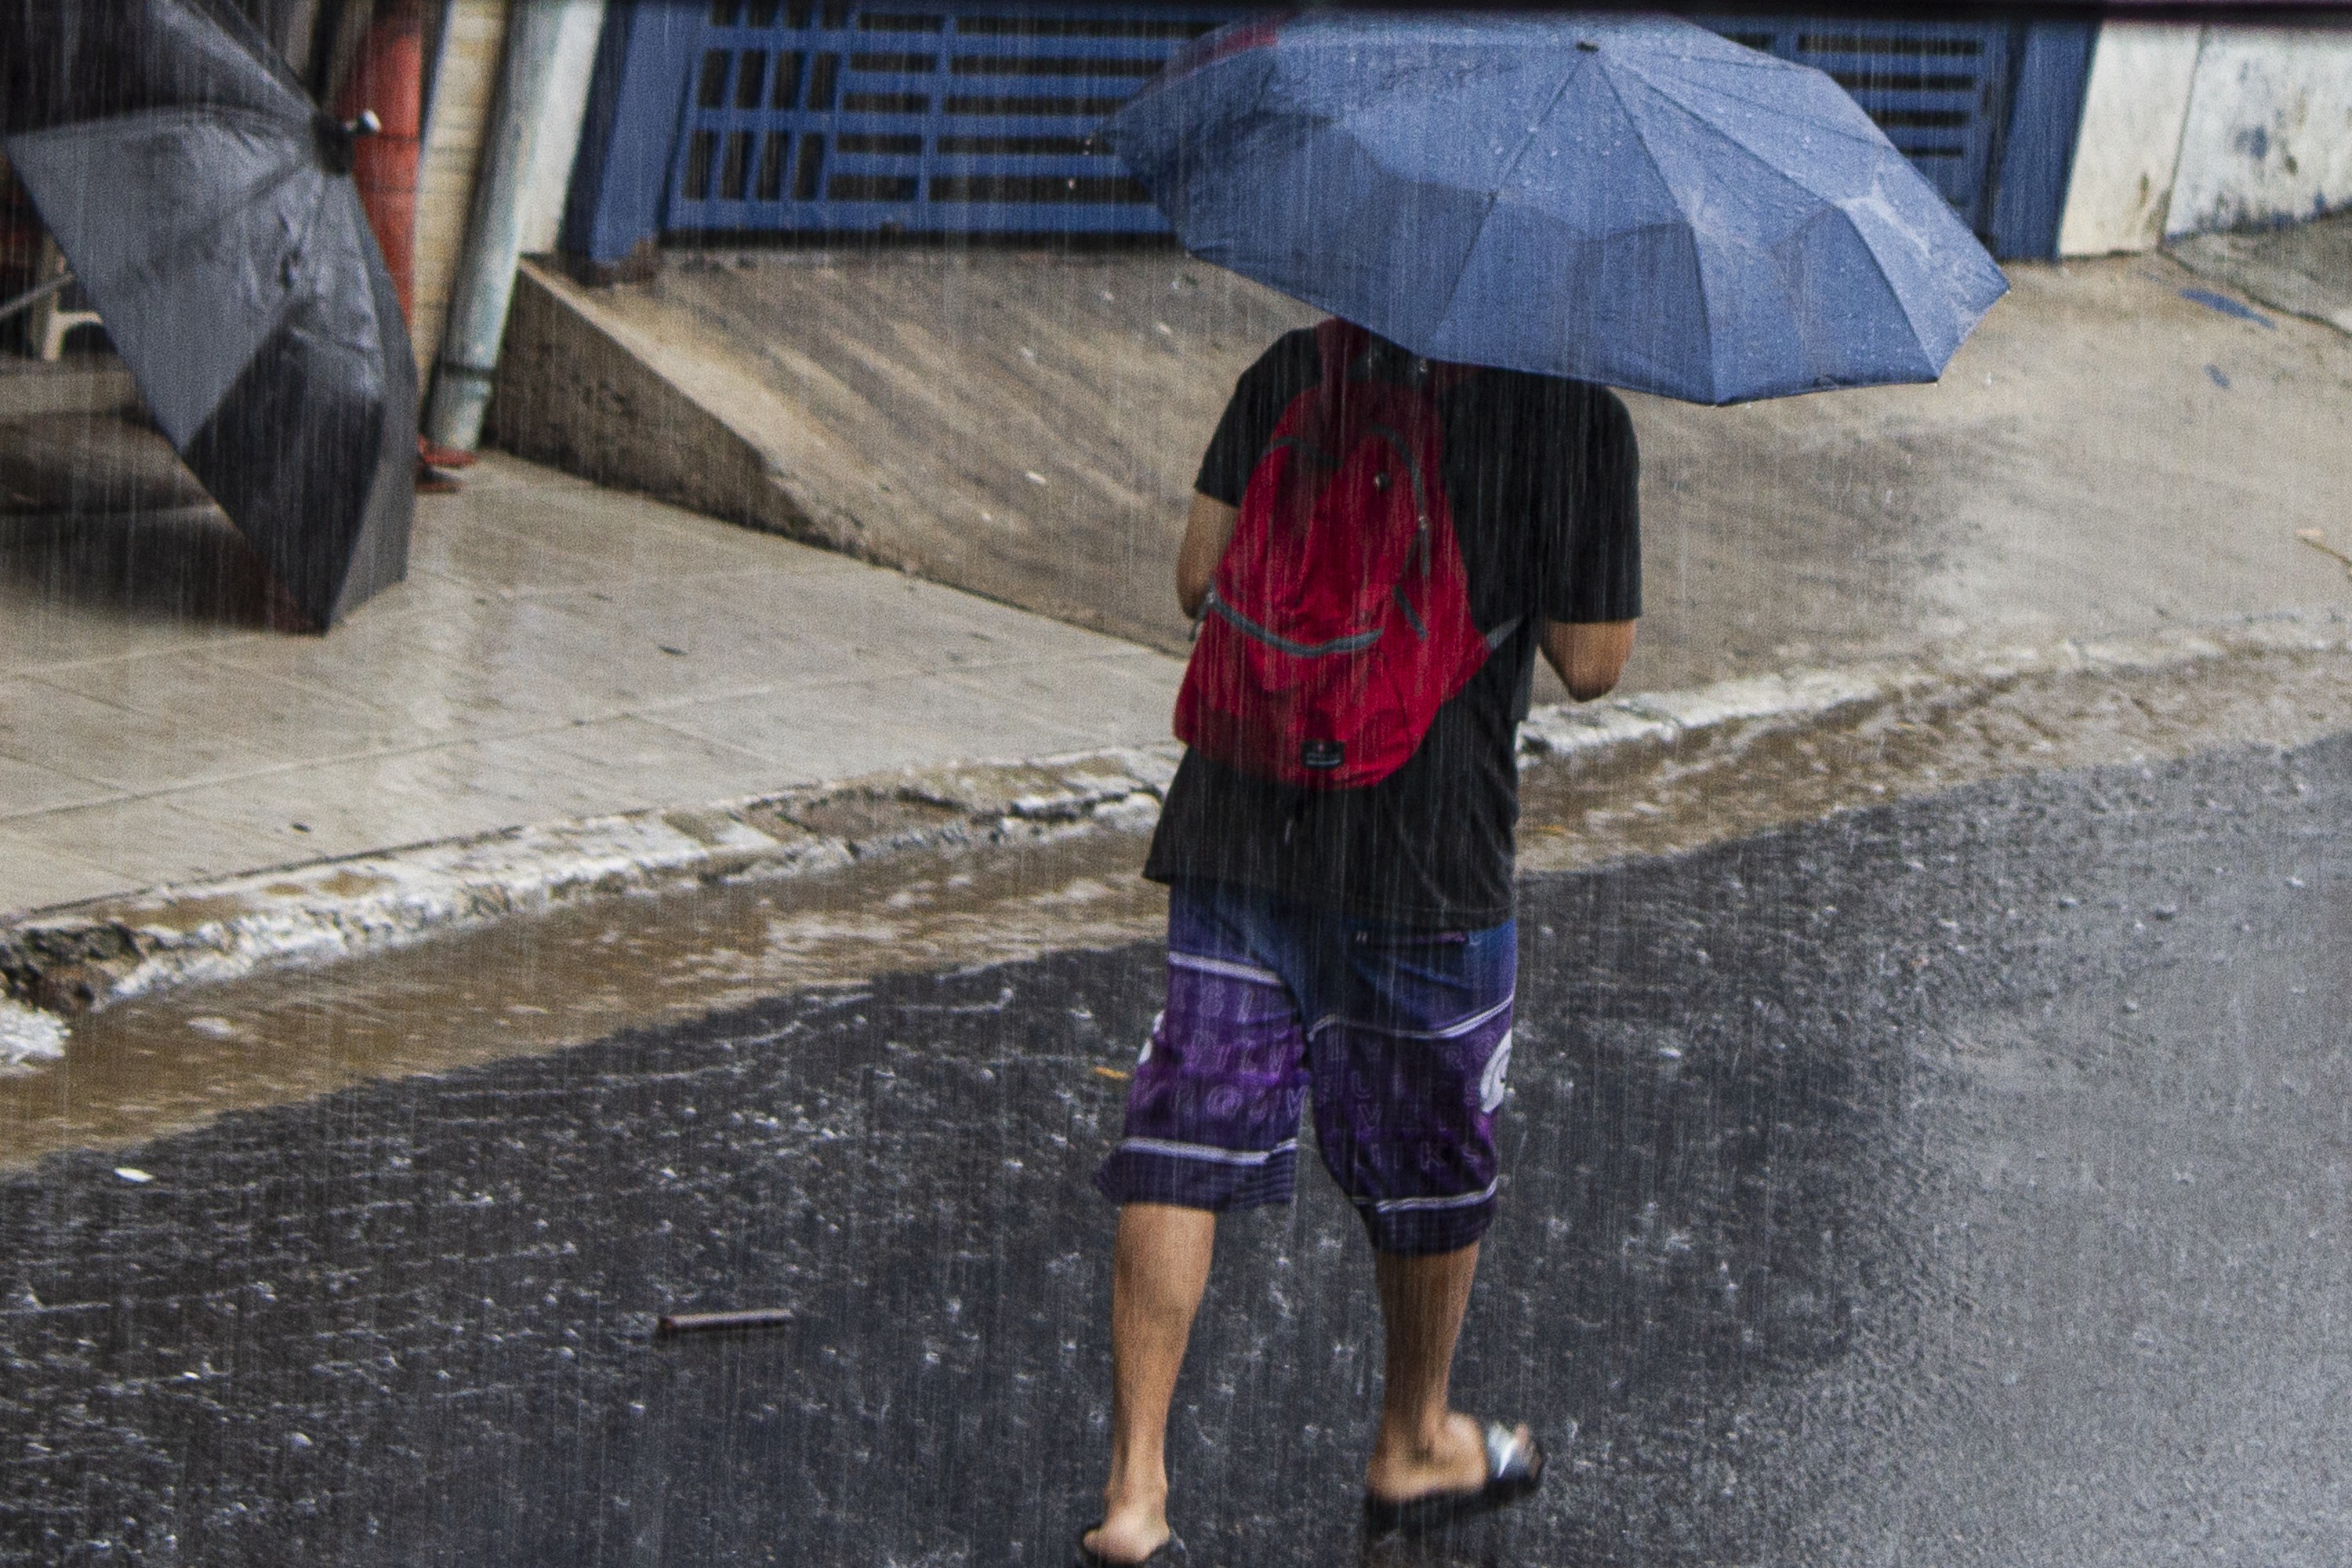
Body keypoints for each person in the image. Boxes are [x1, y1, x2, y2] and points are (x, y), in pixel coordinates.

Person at [1077, 321, 1642, 1565]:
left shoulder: (1293, 368)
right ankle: (1412, 1436)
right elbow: (1595, 664)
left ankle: (1134, 1497)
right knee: (1432, 1159)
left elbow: (1194, 580)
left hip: (1242, 813)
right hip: (1424, 854)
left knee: (1184, 1132)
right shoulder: (1575, 417)